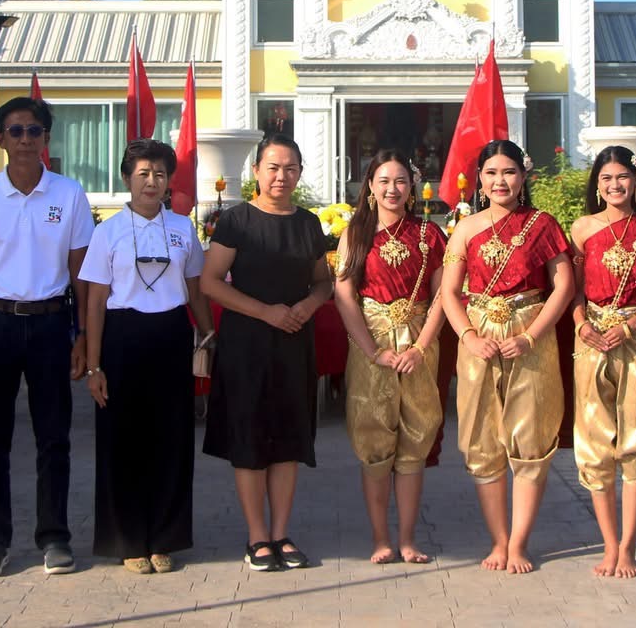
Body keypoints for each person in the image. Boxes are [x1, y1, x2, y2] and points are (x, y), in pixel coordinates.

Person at [0, 97, 94, 577]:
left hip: (52, 324)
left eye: (35, 131)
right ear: (0, 141)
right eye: (16, 132)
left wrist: (83, 337)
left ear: (47, 139)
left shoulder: (69, 194)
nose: (26, 139)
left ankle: (54, 537)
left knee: (54, 437)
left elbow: (82, 273)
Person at [439, 139, 573, 574]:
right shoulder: (465, 227)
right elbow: (450, 292)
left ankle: (519, 542)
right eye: (492, 172)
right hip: (479, 338)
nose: (500, 181)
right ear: (479, 178)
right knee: (482, 440)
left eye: (509, 172)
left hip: (529, 335)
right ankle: (498, 539)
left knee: (530, 438)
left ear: (524, 177)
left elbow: (563, 287)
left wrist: (531, 336)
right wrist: (469, 336)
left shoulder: (543, 224)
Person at [81, 138, 214, 574]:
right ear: (127, 179)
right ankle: (128, 539)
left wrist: (209, 334)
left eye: (159, 174)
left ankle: (165, 538)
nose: (152, 182)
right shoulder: (107, 232)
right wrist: (95, 365)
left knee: (171, 440)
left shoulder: (182, 229)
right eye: (143, 174)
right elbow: (95, 302)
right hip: (122, 339)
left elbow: (195, 289)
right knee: (123, 441)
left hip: (171, 336)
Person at [201, 133, 331, 572]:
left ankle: (282, 533)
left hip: (294, 342)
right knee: (251, 438)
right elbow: (211, 281)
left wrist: (307, 307)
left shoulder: (308, 223)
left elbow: (323, 281)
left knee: (288, 439)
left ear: (299, 172)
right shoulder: (237, 220)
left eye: (290, 167)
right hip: (247, 345)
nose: (281, 175)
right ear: (256, 171)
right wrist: (265, 312)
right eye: (273, 167)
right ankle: (257, 536)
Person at [332, 150, 447, 565]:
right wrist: (371, 351)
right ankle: (381, 538)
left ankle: (409, 538)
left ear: (411, 186)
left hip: (418, 344)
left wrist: (420, 346)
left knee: (415, 437)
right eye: (383, 181)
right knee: (374, 439)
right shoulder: (355, 233)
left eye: (400, 180)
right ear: (369, 186)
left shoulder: (431, 235)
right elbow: (344, 293)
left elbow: (441, 297)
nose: (392, 189)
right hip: (371, 344)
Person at [569, 146, 636, 578]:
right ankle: (609, 545)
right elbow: (573, 290)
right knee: (596, 446)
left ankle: (630, 547)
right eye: (606, 179)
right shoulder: (581, 229)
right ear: (597, 185)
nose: (615, 186)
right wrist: (581, 324)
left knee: (634, 444)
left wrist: (630, 328)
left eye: (622, 178)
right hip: (592, 341)